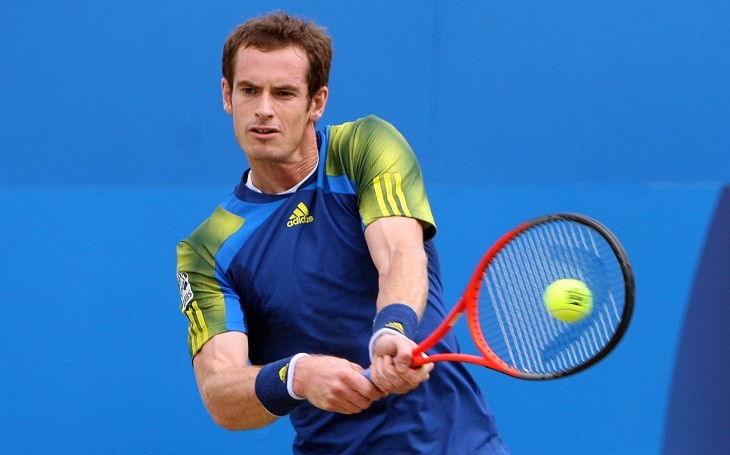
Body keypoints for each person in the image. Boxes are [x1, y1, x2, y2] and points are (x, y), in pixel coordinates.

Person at [176, 11, 509, 454]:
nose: (264, 109)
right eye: (249, 90)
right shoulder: (207, 248)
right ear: (227, 95)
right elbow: (220, 394)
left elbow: (398, 252)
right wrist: (298, 376)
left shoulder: (365, 147)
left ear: (317, 102)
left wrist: (392, 330)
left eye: (285, 93)